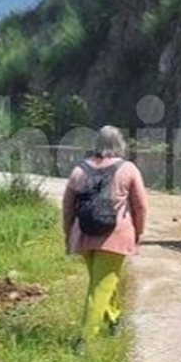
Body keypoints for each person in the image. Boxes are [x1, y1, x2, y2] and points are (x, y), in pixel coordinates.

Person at [61, 126, 148, 346]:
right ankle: (85, 340)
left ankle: (115, 319)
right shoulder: (128, 169)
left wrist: (68, 233)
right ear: (120, 145)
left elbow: (67, 207)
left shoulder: (79, 170)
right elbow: (141, 207)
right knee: (100, 287)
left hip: (84, 235)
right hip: (115, 237)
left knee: (102, 282)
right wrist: (139, 232)